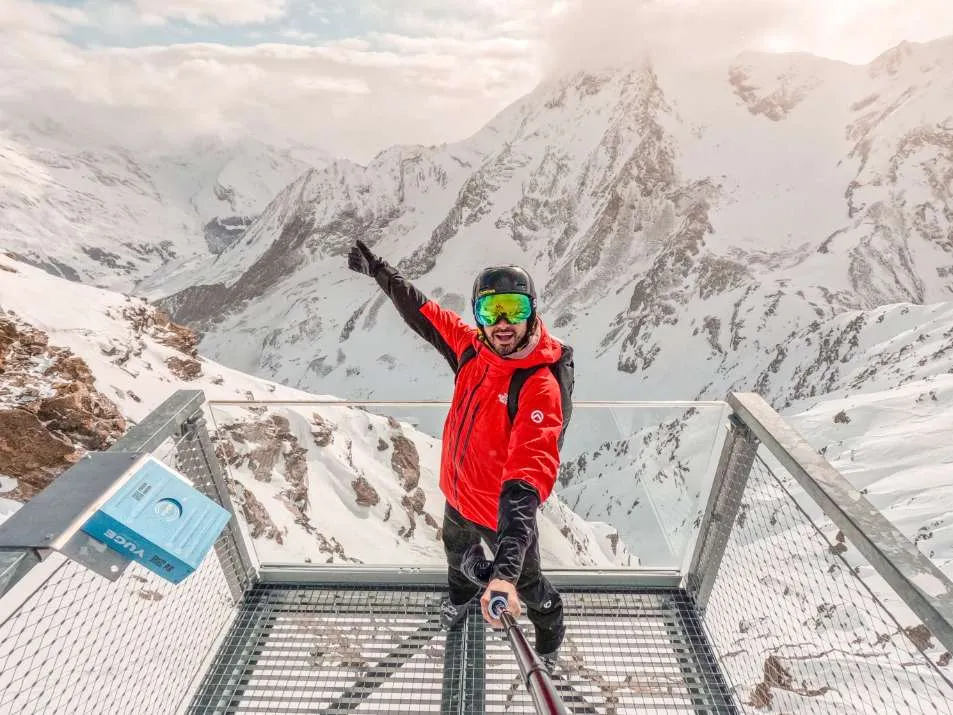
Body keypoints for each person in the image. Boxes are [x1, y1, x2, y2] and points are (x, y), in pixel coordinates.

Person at [347, 239, 567, 669]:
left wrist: (503, 576)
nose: (503, 322)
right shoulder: (472, 349)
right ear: (478, 318)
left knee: (529, 584)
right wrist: (380, 271)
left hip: (500, 514)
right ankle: (461, 600)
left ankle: (550, 629)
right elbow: (425, 313)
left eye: (515, 309)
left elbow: (526, 479)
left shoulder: (538, 385)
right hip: (458, 495)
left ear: (533, 312)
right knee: (456, 555)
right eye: (490, 311)